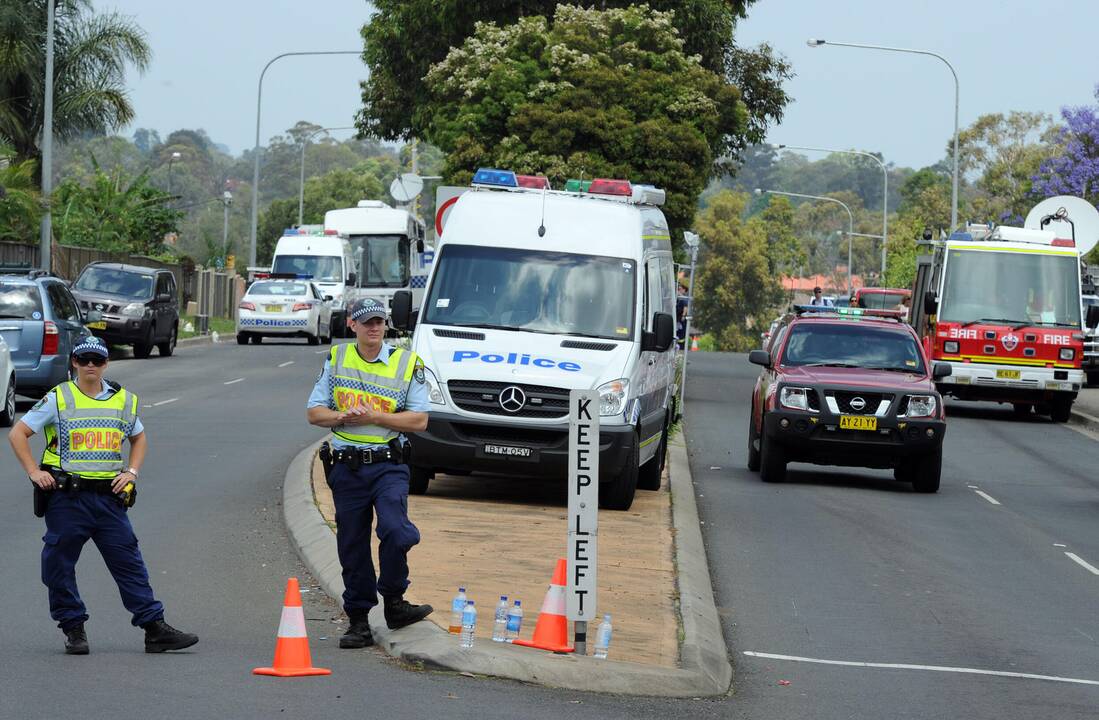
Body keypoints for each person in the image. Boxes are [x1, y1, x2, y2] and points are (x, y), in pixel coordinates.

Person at [7, 337, 198, 655]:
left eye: (97, 359)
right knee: (58, 565)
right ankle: (73, 628)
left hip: (109, 498)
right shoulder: (59, 397)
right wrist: (33, 472)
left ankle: (154, 629)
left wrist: (132, 473)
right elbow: (18, 433)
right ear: (74, 363)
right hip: (68, 497)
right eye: (84, 360)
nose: (91, 365)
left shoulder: (122, 400)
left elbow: (139, 438)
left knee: (129, 563)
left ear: (107, 363)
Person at [306, 298, 433, 649]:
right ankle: (359, 621)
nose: (373, 328)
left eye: (379, 322)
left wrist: (375, 418)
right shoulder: (338, 358)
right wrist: (341, 418)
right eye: (366, 322)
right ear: (352, 325)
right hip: (347, 467)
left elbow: (419, 420)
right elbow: (314, 413)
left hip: (388, 464)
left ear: (386, 325)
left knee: (396, 530)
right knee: (352, 544)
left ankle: (394, 600)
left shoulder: (407, 363)